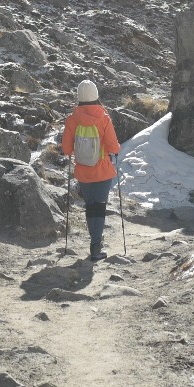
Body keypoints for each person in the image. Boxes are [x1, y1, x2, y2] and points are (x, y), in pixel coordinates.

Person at [59, 79, 123, 261]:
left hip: (83, 172)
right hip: (103, 171)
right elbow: (113, 148)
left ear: (79, 97)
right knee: (100, 208)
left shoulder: (72, 120)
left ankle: (94, 242)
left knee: (90, 207)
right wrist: (115, 148)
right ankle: (96, 246)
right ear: (96, 96)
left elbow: (66, 149)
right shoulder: (104, 118)